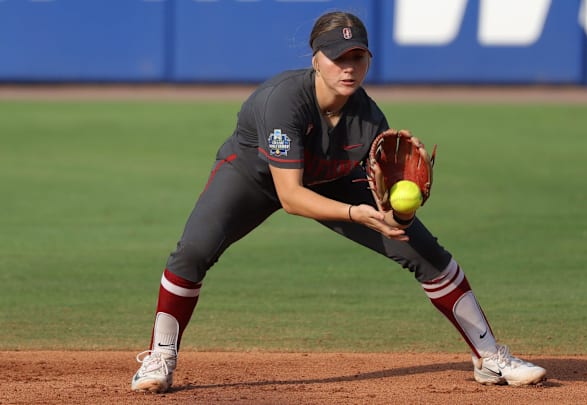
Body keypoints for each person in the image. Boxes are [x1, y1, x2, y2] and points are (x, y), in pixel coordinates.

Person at [131, 11, 546, 393]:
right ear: (316, 60)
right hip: (254, 176)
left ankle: (490, 358)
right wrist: (356, 214)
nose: (347, 68)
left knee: (427, 254)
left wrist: (400, 211)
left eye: (357, 58)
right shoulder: (283, 101)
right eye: (337, 58)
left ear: (368, 61)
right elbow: (291, 196)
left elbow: (387, 207)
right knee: (192, 252)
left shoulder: (370, 121)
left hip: (335, 179)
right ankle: (160, 357)